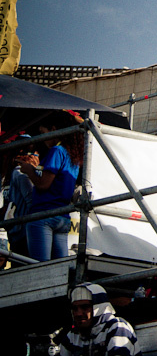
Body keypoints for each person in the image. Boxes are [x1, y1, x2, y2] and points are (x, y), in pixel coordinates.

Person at [18, 112, 83, 262]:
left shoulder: (56, 151)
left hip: (43, 214)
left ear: (53, 129)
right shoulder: (71, 154)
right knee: (59, 267)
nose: (42, 139)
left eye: (43, 133)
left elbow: (43, 184)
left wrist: (29, 170)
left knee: (40, 266)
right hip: (62, 216)